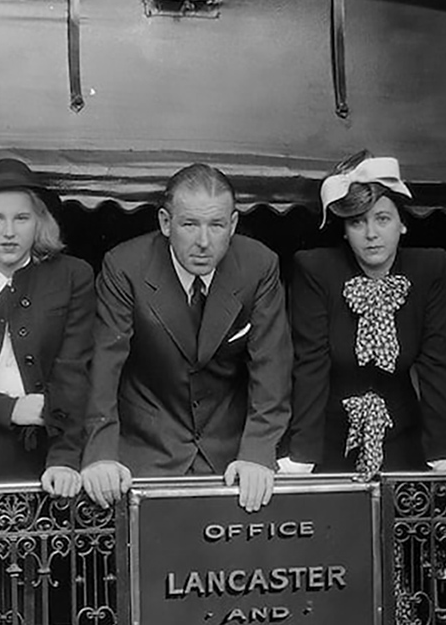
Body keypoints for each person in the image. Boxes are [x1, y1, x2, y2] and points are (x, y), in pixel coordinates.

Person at [81, 163, 292, 512]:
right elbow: (104, 363)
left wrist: (257, 453)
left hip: (231, 457)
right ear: (166, 223)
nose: (204, 242)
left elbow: (272, 366)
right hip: (146, 451)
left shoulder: (259, 265)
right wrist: (100, 455)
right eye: (190, 225)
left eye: (216, 225)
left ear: (233, 225)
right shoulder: (125, 266)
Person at [281, 152, 446, 479]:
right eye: (357, 222)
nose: (371, 234)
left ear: (402, 224)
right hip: (330, 440)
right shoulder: (316, 270)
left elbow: (437, 367)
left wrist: (445, 453)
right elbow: (310, 367)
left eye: (382, 219)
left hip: (404, 435)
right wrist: (302, 455)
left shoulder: (428, 268)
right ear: (344, 230)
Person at [0, 158, 95, 494]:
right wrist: (9, 408)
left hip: (47, 459)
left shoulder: (72, 277)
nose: (9, 232)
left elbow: (73, 373)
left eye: (22, 218)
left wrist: (64, 459)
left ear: (39, 222)